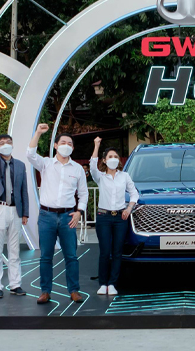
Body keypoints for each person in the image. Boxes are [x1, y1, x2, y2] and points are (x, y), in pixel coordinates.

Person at [28, 123, 88, 305]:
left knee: (71, 256)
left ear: (73, 148)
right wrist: (38, 133)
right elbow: (30, 154)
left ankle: (74, 290)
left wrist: (79, 212)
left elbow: (83, 193)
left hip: (68, 217)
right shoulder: (46, 163)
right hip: (46, 216)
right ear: (55, 145)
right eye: (63, 142)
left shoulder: (77, 169)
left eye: (69, 144)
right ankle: (45, 291)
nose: (66, 146)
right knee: (46, 256)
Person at [0, 124, 29, 299]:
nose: (5, 145)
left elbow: (24, 190)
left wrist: (25, 213)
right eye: (1, 143)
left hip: (15, 210)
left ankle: (15, 284)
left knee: (15, 249)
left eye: (8, 142)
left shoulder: (20, 165)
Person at [89, 137, 138, 296]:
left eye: (115, 156)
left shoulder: (125, 176)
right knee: (105, 251)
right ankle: (103, 283)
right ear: (104, 160)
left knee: (117, 252)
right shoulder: (100, 177)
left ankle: (112, 284)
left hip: (120, 219)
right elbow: (92, 166)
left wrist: (129, 208)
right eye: (110, 157)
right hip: (103, 217)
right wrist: (96, 145)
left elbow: (134, 194)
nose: (113, 159)